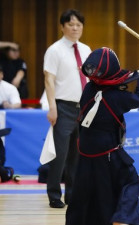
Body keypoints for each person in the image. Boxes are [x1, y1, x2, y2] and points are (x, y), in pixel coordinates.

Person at [65, 47, 139, 225]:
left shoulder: (89, 88)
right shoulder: (118, 97)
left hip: (86, 152)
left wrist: (138, 73)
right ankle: (122, 217)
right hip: (107, 152)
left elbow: (113, 82)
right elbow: (138, 98)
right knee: (131, 181)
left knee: (90, 193)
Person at [43, 9, 91, 208]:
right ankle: (54, 194)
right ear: (62, 26)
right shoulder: (55, 50)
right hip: (63, 107)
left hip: (84, 108)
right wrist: (52, 107)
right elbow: (49, 79)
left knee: (77, 155)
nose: (75, 28)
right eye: (71, 24)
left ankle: (72, 195)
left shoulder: (86, 50)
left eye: (78, 24)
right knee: (60, 154)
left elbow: (91, 78)